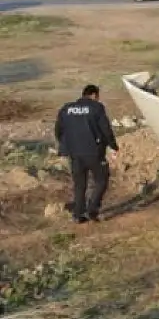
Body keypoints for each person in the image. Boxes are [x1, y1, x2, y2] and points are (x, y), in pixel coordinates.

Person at [54, 84, 118, 224]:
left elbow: (58, 130)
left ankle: (78, 215)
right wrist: (113, 146)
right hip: (94, 152)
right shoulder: (96, 108)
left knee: (79, 184)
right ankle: (92, 210)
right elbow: (106, 130)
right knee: (101, 180)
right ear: (94, 95)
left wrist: (67, 145)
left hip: (74, 154)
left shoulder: (66, 108)